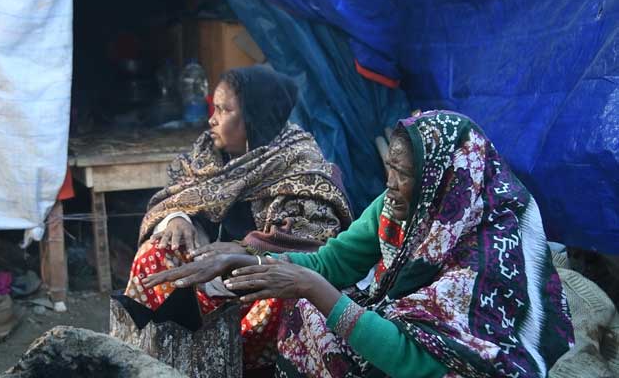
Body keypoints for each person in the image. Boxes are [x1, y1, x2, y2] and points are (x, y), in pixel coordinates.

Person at [143, 110, 574, 377]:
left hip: (471, 366)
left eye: (404, 176)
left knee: (317, 304)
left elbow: (425, 362)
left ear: (447, 183)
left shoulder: (484, 252)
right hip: (414, 335)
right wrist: (246, 258)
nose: (391, 187)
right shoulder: (401, 207)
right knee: (308, 316)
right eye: (390, 169)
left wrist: (313, 288)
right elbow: (336, 260)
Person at [124, 65, 353, 370]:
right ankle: (152, 360)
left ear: (254, 118)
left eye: (224, 109)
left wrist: (247, 250)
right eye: (213, 108)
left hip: (258, 290)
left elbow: (314, 243)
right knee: (154, 253)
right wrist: (178, 218)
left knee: (289, 295)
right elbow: (177, 193)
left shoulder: (301, 167)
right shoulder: (210, 153)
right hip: (211, 278)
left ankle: (231, 363)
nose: (212, 119)